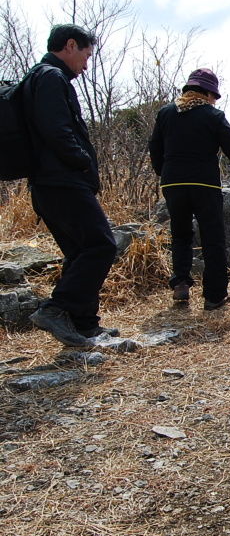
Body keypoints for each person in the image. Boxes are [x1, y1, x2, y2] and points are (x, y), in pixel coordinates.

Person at [25, 24, 118, 347]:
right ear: (70, 46)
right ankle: (56, 309)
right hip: (62, 180)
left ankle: (84, 323)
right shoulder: (51, 78)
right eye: (86, 55)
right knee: (102, 245)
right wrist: (81, 161)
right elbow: (56, 129)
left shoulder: (40, 77)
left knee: (80, 252)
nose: (87, 64)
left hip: (47, 183)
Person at [148, 68, 230, 310]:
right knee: (212, 238)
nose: (215, 100)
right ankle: (214, 296)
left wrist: (163, 171)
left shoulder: (166, 113)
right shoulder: (212, 115)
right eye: (214, 95)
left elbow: (155, 146)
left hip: (173, 182)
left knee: (181, 234)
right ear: (206, 92)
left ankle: (181, 284)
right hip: (204, 182)